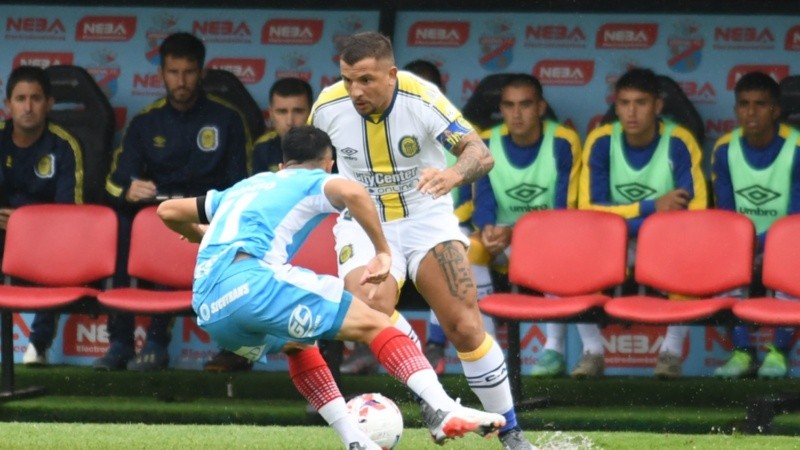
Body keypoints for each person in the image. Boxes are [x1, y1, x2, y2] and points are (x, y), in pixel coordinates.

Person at [156, 125, 506, 449]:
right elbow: (352, 191)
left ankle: (355, 440)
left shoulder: (245, 187)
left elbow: (169, 211)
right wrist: (384, 251)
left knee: (298, 345)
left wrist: (201, 237)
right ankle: (444, 408)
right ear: (328, 163)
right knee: (374, 320)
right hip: (252, 283)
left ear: (282, 163)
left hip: (210, 307)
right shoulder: (309, 180)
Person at [310, 31, 534, 449]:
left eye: (366, 80)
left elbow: (479, 153)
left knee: (465, 326)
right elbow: (307, 172)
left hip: (425, 216)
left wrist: (452, 174)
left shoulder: (422, 99)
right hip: (363, 220)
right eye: (347, 80)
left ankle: (512, 434)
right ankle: (437, 402)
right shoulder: (327, 108)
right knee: (370, 308)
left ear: (392, 74)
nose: (355, 91)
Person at [94, 31, 251, 371]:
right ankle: (121, 344)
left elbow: (243, 185)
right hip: (159, 216)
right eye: (173, 72)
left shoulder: (227, 120)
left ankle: (168, 343)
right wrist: (128, 191)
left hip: (210, 218)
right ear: (161, 74)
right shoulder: (146, 122)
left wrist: (215, 215)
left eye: (189, 72)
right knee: (123, 228)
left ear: (202, 73)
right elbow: (113, 183)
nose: (181, 81)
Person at [579, 67, 707, 379]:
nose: (631, 112)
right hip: (616, 243)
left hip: (667, 244)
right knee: (571, 264)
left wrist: (627, 219)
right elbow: (589, 210)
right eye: (624, 103)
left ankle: (670, 354)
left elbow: (695, 212)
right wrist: (653, 207)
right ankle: (592, 351)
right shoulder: (601, 140)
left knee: (690, 257)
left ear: (658, 106)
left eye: (641, 103)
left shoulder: (679, 140)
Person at [473, 74, 581, 378]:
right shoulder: (485, 142)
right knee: (467, 251)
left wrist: (518, 233)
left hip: (552, 236)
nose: (516, 113)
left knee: (561, 250)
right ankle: (487, 352)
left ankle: (555, 350)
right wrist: (487, 228)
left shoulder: (563, 141)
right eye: (509, 105)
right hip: (502, 238)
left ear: (541, 107)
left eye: (525, 104)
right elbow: (483, 200)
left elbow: (564, 209)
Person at [204, 77, 313, 373]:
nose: (290, 121)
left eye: (298, 111)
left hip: (318, 236)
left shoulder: (326, 149)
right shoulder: (263, 147)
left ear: (311, 112)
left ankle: (325, 354)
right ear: (270, 114)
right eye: (282, 112)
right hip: (268, 237)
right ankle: (237, 348)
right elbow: (246, 198)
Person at [712, 71, 800, 379]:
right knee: (721, 261)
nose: (751, 112)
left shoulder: (796, 147)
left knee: (795, 261)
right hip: (742, 244)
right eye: (744, 104)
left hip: (787, 243)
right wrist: (742, 247)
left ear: (776, 110)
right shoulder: (724, 149)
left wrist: (762, 245)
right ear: (736, 110)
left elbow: (795, 217)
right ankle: (743, 353)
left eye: (760, 104)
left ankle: (777, 352)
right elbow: (725, 214)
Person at [0, 66, 85, 366]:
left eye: (35, 98)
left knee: (60, 253)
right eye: (20, 98)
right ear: (7, 104)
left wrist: (25, 224)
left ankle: (38, 345)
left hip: (48, 238)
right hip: (2, 233)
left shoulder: (64, 145)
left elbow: (69, 216)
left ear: (49, 103)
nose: (27, 106)